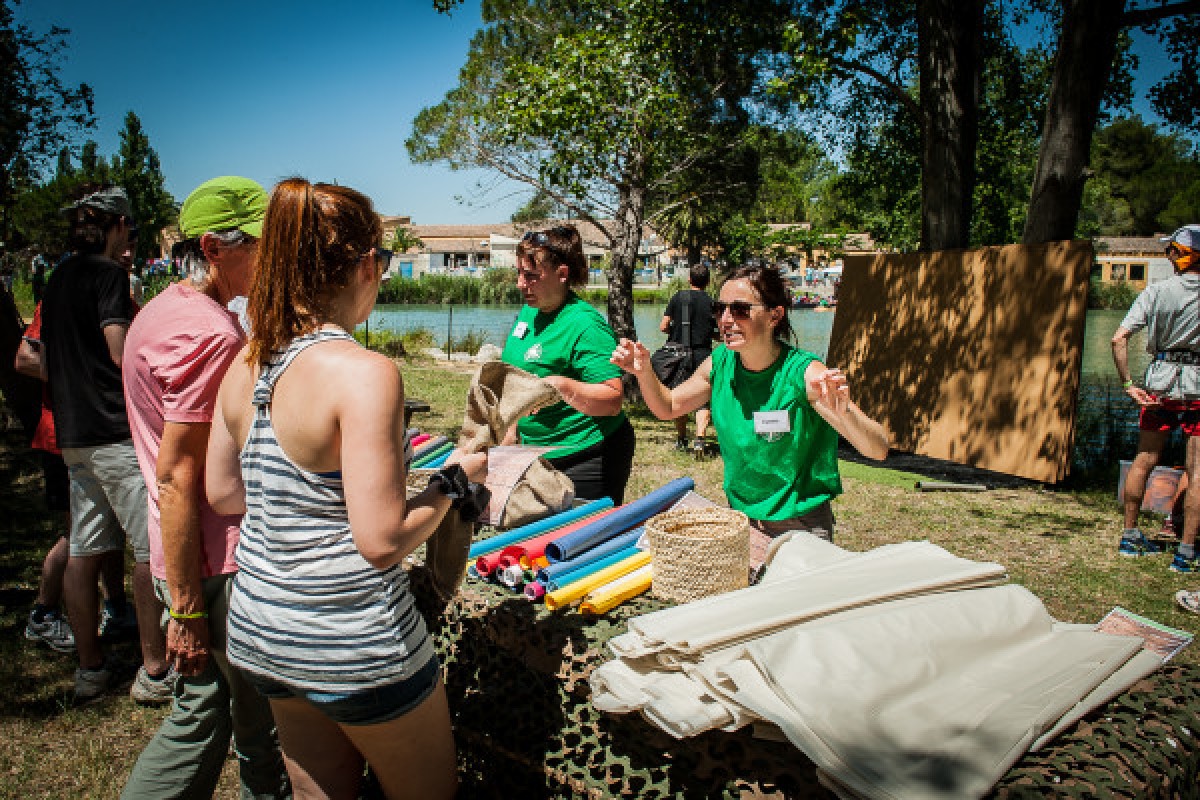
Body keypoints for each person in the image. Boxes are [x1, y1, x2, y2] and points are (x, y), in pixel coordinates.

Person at [207, 178, 486, 799]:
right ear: (365, 264)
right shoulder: (365, 373)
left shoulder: (245, 361)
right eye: (384, 263)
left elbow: (224, 492)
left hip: (263, 628)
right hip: (354, 642)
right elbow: (383, 540)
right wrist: (454, 480)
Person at [121, 177, 289, 799]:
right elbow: (178, 474)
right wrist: (188, 609)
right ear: (216, 250)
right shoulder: (210, 336)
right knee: (246, 726)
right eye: (261, 245)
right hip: (213, 560)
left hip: (186, 553)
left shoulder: (164, 311)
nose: (272, 259)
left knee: (211, 712)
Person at [611, 264, 888, 542]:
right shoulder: (720, 364)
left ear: (774, 315)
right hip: (740, 518)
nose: (726, 320)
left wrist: (844, 414)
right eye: (720, 309)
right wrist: (643, 371)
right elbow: (668, 407)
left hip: (800, 527)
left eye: (741, 310)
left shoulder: (805, 374)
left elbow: (878, 449)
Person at [40, 186, 171, 702]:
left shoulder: (58, 279)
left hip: (73, 434)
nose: (130, 241)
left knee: (85, 550)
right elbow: (122, 353)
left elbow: (46, 360)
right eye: (131, 231)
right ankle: (155, 669)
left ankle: (90, 669)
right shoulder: (109, 276)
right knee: (148, 549)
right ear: (117, 225)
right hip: (117, 434)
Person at [500, 225, 634, 504]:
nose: (520, 284)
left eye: (531, 276)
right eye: (519, 273)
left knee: (577, 542)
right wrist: (511, 429)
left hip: (587, 453)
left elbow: (612, 399)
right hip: (536, 452)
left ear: (562, 274)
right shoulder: (530, 310)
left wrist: (561, 386)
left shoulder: (585, 324)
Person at [1111, 223, 1200, 573]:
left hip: (1158, 385)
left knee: (1144, 459)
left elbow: (1119, 339)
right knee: (1196, 472)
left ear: (1180, 255)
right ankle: (1186, 553)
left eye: (1171, 249)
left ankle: (1130, 536)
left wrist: (1129, 383)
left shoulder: (1157, 291)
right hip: (1197, 387)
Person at [659, 262, 717, 456]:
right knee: (703, 399)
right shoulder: (711, 302)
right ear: (707, 282)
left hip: (680, 354)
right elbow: (717, 331)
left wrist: (674, 330)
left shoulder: (678, 297)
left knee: (680, 395)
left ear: (689, 279)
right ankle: (700, 438)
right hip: (703, 355)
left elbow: (663, 326)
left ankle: (682, 438)